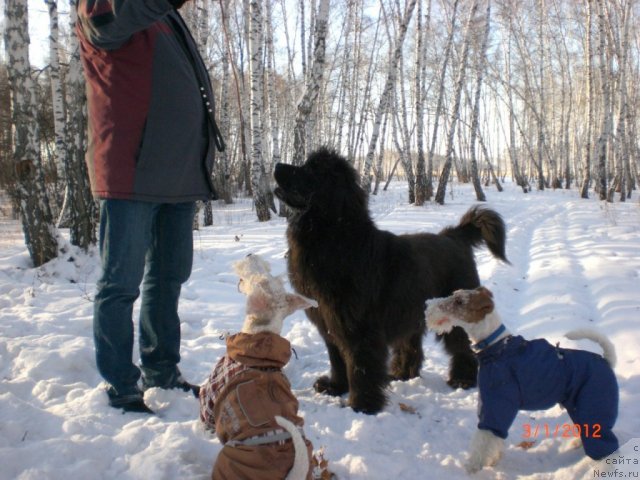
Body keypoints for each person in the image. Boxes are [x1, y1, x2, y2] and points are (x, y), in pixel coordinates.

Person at [76, 0, 225, 413]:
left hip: (178, 173)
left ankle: (162, 370)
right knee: (120, 283)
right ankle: (122, 384)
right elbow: (111, 22)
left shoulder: (164, 17)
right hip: (132, 168)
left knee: (169, 276)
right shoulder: (101, 6)